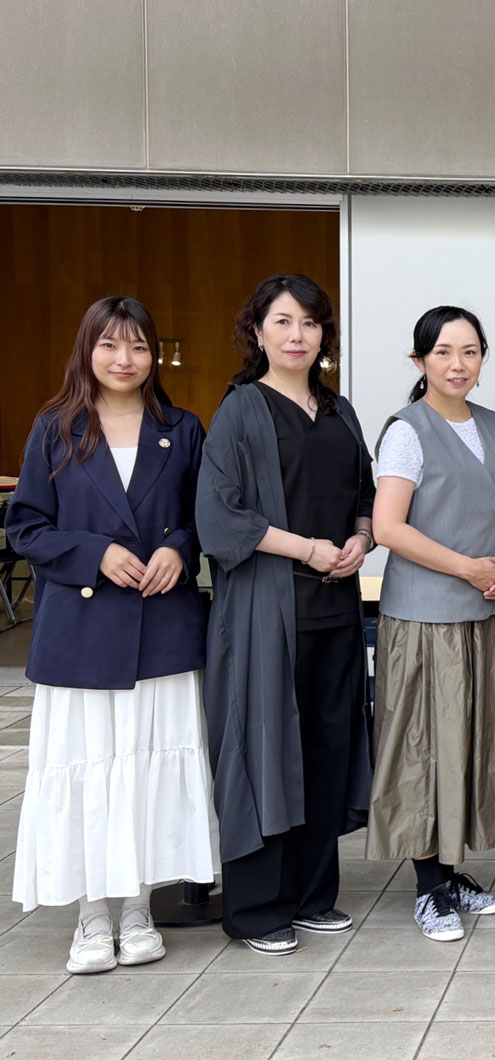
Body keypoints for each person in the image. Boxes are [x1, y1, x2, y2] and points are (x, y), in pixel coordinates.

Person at [7, 296, 217, 974]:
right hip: (83, 634)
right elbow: (25, 528)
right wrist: (94, 552)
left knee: (149, 771)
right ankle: (92, 915)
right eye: (110, 345)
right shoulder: (55, 428)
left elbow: (206, 516)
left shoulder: (182, 429)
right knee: (90, 769)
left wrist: (179, 548)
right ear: (87, 350)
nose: (124, 359)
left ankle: (138, 909)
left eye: (138, 346)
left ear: (155, 356)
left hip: (161, 626)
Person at [198, 274, 375, 956]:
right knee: (263, 750)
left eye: (309, 322)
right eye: (282, 321)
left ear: (324, 334)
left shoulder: (339, 410)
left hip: (335, 612)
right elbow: (219, 517)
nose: (297, 335)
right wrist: (307, 548)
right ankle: (256, 908)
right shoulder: (241, 410)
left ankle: (312, 897)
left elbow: (365, 493)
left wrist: (361, 538)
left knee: (326, 750)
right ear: (258, 331)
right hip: (265, 616)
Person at [368, 306, 495, 941]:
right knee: (425, 749)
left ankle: (452, 872)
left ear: (483, 358)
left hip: (484, 611)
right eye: (442, 352)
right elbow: (389, 528)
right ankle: (428, 889)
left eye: (469, 352)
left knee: (470, 745)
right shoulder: (407, 431)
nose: (457, 364)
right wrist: (465, 567)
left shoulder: (493, 424)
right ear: (420, 361)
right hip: (426, 618)